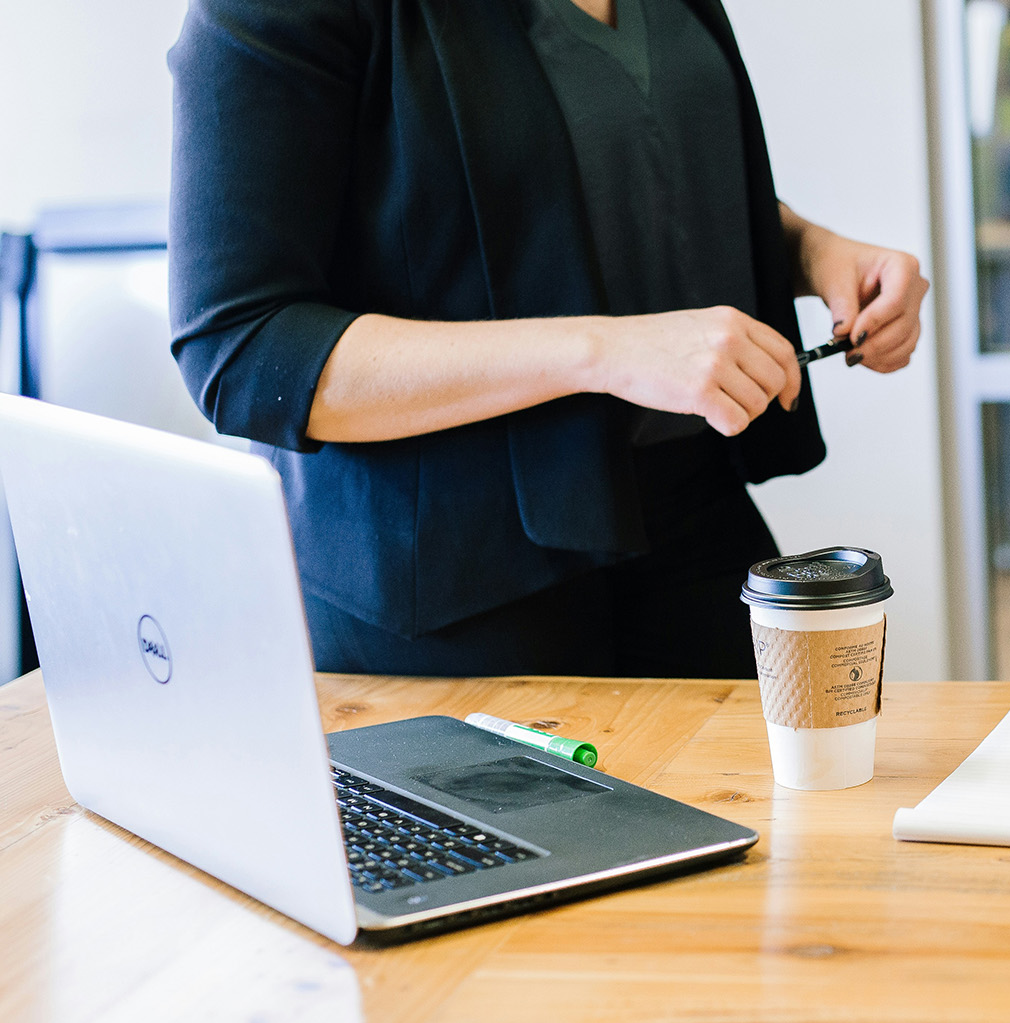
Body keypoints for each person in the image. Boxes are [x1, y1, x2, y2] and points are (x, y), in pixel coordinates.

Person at [168, 0, 928, 678]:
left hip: (694, 520)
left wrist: (810, 251)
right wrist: (603, 352)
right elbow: (244, 348)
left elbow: (602, 172)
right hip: (456, 584)